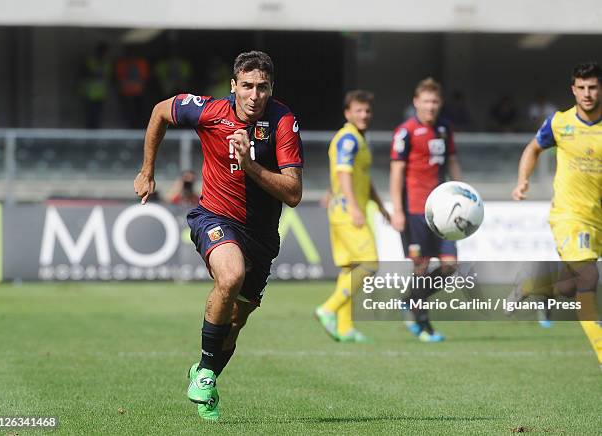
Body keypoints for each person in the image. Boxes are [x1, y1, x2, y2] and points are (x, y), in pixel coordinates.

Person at [134, 51, 303, 420]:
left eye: (262, 87)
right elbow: (161, 111)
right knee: (230, 275)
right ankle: (208, 375)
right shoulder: (209, 111)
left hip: (261, 235)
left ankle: (204, 371)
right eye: (247, 86)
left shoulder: (283, 121)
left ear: (271, 88)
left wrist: (250, 167)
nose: (254, 95)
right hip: (216, 216)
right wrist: (147, 170)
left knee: (235, 324)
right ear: (233, 86)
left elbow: (293, 193)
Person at [512, 61, 601, 366]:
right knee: (588, 277)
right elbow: (532, 149)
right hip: (569, 216)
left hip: (597, 219)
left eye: (593, 87)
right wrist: (523, 180)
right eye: (582, 88)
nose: (587, 94)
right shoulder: (559, 123)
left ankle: (531, 286)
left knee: (567, 288)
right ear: (573, 89)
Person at [389, 77, 463, 342]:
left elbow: (452, 160)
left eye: (435, 102)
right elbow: (396, 172)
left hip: (442, 213)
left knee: (450, 266)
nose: (430, 107)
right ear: (416, 102)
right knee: (420, 267)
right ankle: (424, 325)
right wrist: (397, 210)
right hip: (415, 210)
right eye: (426, 102)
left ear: (440, 103)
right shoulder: (405, 131)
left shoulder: (445, 128)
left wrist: (463, 194)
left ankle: (410, 299)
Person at [315, 90, 390, 343]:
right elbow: (344, 174)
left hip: (342, 210)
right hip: (348, 212)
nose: (364, 115)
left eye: (367, 110)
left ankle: (345, 328)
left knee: (349, 269)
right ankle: (328, 309)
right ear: (347, 113)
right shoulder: (349, 139)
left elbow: (361, 180)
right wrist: (355, 208)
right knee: (369, 264)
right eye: (358, 110)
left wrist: (380, 206)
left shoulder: (358, 138)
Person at [80, 42, 111, 129]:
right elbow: (83, 75)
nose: (105, 55)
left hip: (101, 95)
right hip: (89, 94)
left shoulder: (106, 63)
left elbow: (108, 77)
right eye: (103, 52)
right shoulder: (90, 62)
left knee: (98, 117)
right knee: (90, 117)